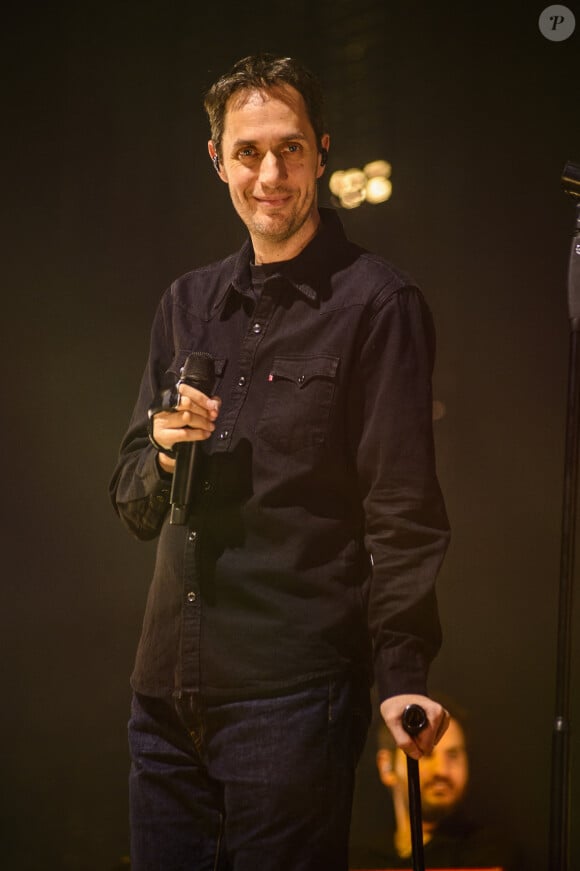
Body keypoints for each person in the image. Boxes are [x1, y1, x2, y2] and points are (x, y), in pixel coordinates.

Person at [110, 53, 451, 871]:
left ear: (322, 152)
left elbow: (402, 510)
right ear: (218, 159)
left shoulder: (377, 303)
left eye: (290, 149)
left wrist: (404, 670)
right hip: (165, 699)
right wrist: (161, 450)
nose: (270, 172)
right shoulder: (186, 304)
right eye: (249, 151)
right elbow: (131, 498)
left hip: (292, 699)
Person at [350, 700, 522, 869]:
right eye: (426, 753)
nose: (442, 770)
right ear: (387, 767)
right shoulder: (356, 860)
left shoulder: (490, 854)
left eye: (453, 755)